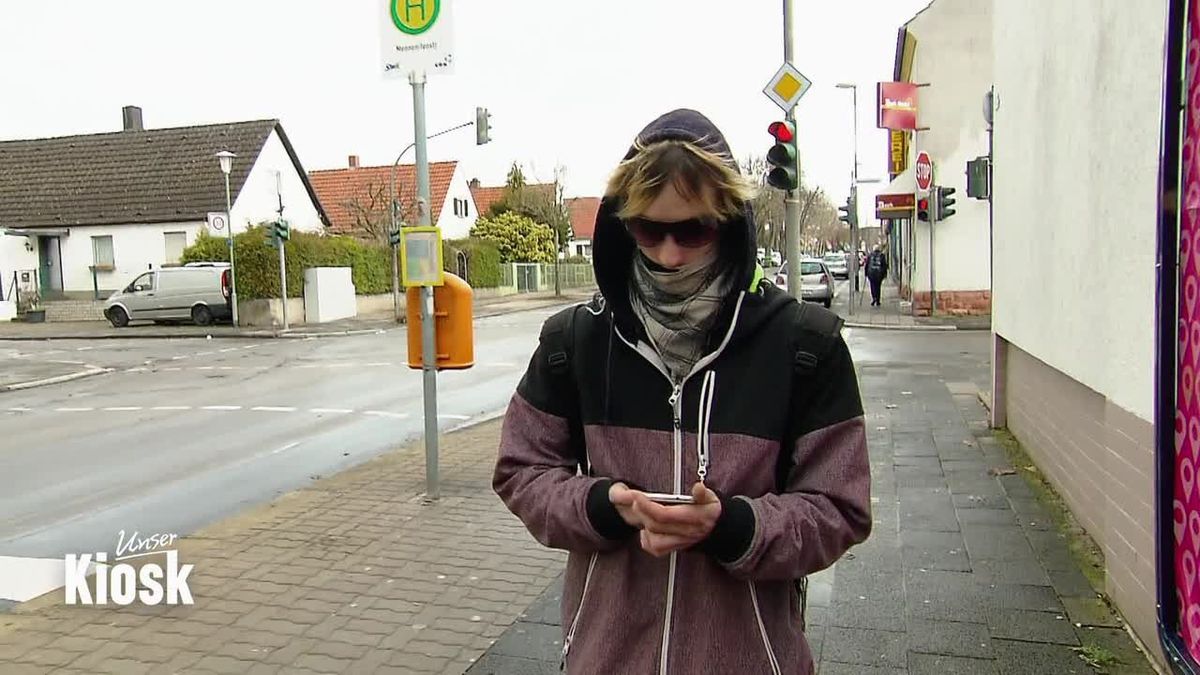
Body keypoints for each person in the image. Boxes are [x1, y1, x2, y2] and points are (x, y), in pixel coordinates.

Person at [493, 109, 871, 675]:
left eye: (692, 230)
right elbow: (520, 471)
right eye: (650, 229)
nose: (669, 254)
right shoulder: (575, 340)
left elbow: (840, 507)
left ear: (728, 221)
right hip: (607, 660)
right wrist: (603, 505)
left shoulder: (804, 345)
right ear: (625, 224)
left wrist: (736, 527)